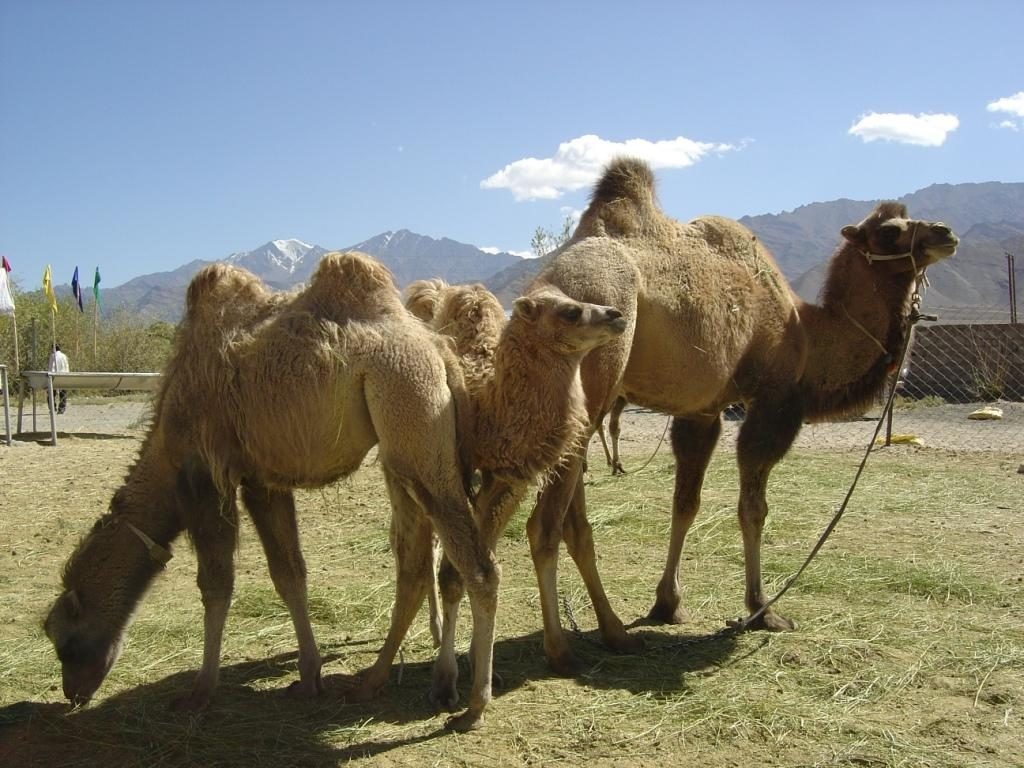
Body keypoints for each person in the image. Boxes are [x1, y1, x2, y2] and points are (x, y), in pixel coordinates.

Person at [47, 343, 70, 414]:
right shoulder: (64, 356)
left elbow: (51, 367)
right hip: (63, 376)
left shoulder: (52, 356)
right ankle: (62, 408)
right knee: (63, 393)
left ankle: (52, 408)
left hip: (54, 376)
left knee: (51, 393)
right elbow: (66, 366)